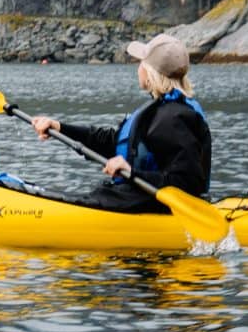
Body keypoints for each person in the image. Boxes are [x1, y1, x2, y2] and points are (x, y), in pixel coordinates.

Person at [30, 35, 210, 211]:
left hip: (150, 207)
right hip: (137, 200)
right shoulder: (159, 110)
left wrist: (132, 172)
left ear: (150, 72)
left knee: (100, 195)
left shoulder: (172, 119)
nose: (138, 68)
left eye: (141, 63)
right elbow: (113, 142)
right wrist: (60, 128)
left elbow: (189, 183)